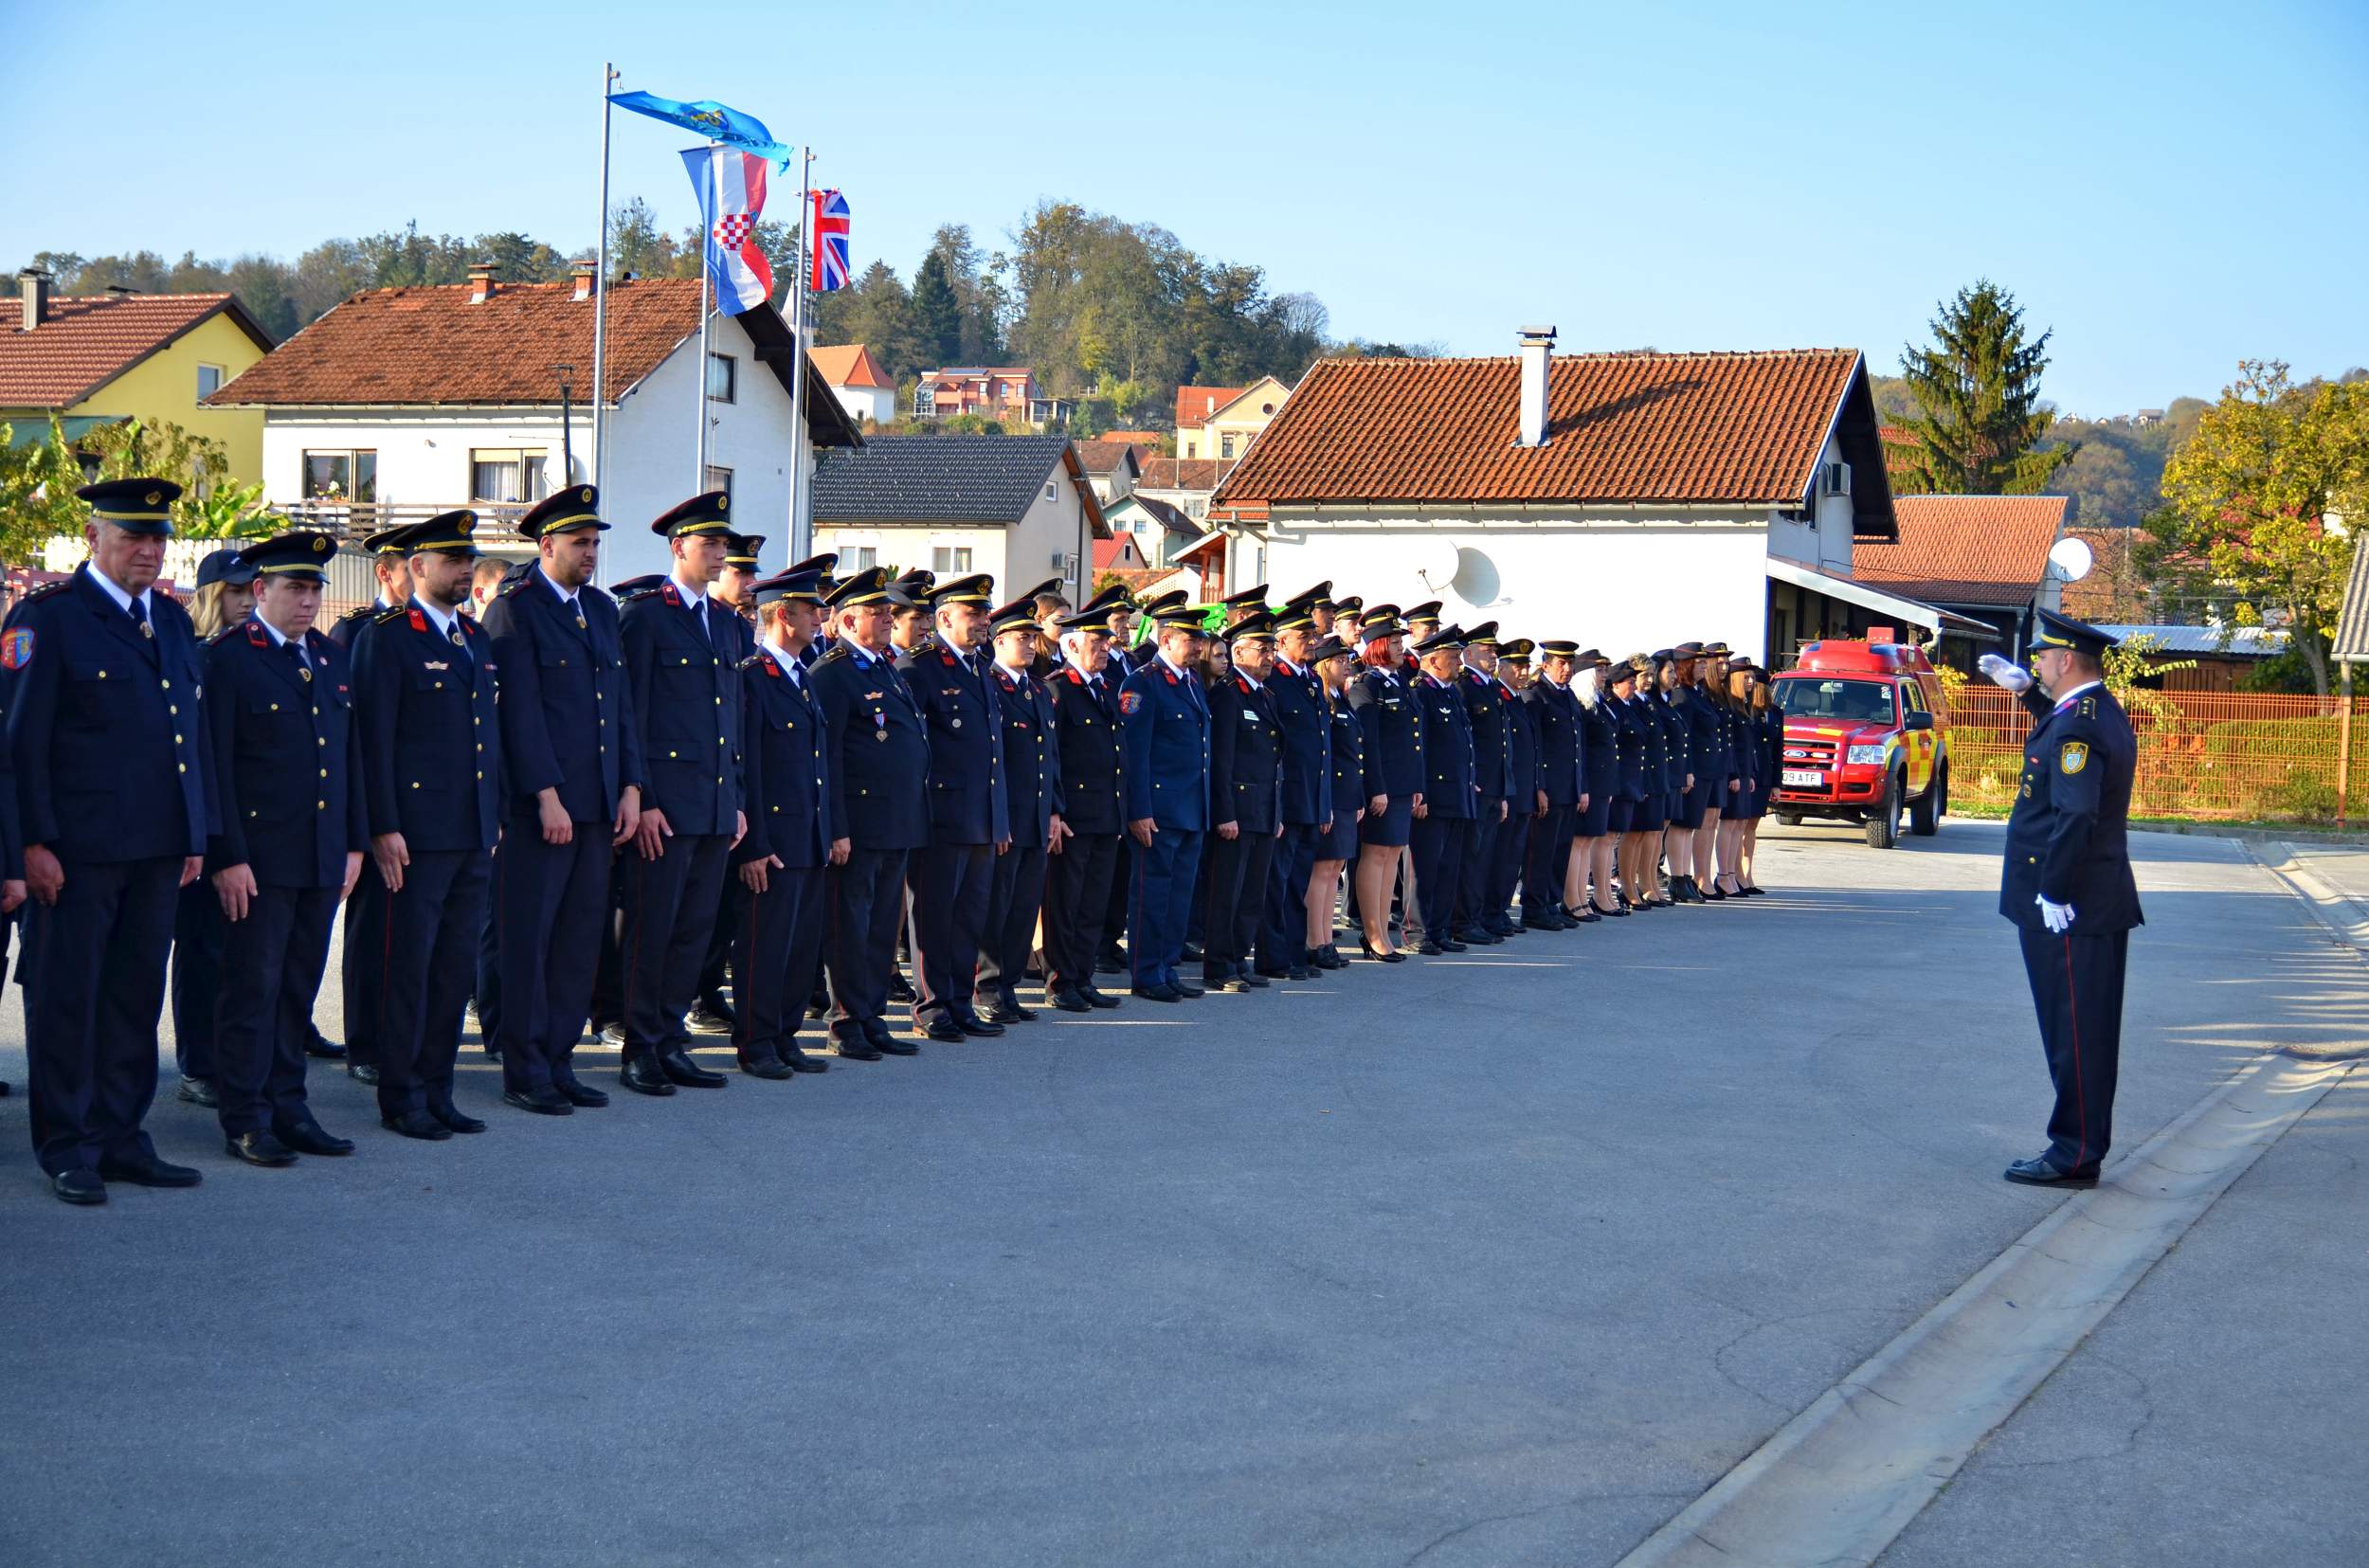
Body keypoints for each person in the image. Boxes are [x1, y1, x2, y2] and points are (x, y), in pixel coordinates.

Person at [8, 478, 212, 1204]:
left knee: (132, 998)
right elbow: (19, 744)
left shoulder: (174, 620)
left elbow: (191, 738)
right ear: (94, 537)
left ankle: (122, 1135)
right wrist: (30, 845)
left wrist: (195, 831)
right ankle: (67, 1144)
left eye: (158, 538)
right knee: (68, 1000)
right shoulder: (51, 618)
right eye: (133, 537)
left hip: (157, 849)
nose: (149, 551)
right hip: (78, 853)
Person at [202, 530, 367, 1166]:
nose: (307, 601)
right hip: (259, 859)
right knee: (252, 987)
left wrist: (354, 842)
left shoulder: (328, 657)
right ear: (260, 590)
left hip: (321, 855)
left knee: (297, 988)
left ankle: (290, 1105)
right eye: (294, 588)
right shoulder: (230, 658)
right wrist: (228, 856)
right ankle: (245, 1114)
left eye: (314, 588)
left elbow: (346, 757)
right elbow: (216, 767)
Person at [478, 485, 643, 1114]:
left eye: (595, 542)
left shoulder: (600, 611)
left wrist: (631, 786)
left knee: (578, 941)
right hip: (542, 810)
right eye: (579, 543)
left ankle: (559, 1058)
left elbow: (620, 709)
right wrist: (544, 795)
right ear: (546, 546)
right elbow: (518, 715)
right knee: (531, 940)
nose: (591, 552)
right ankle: (524, 1067)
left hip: (599, 805)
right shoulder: (514, 611)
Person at [351, 510, 504, 1140]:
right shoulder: (387, 636)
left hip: (469, 832)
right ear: (416, 567)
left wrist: (490, 817)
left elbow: (484, 738)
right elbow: (371, 740)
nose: (464, 570)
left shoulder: (474, 638)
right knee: (407, 968)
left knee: (452, 968)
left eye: (468, 560)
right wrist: (382, 825)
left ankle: (438, 1087)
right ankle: (401, 1093)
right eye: (451, 560)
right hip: (414, 835)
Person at [1980, 612, 2143, 1187]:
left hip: (2071, 905)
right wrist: (2030, 698)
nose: (2037, 665)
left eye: (2043, 658)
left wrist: (2052, 889)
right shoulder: (2093, 710)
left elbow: (2075, 810)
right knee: (2083, 1029)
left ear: (2067, 661)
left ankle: (2073, 1152)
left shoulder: (2079, 725)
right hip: (2092, 899)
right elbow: (2067, 734)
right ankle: (2081, 1144)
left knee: (2074, 1031)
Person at [615, 492, 750, 1095]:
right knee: (653, 930)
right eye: (711, 544)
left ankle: (671, 1038)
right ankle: (641, 1046)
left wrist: (739, 800)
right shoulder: (645, 617)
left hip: (716, 805)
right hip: (664, 808)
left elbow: (733, 722)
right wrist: (641, 797)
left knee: (695, 933)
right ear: (679, 548)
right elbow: (630, 716)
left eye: (724, 544)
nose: (721, 554)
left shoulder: (725, 622)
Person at [810, 568, 930, 1059]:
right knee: (849, 926)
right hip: (858, 826)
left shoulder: (882, 666)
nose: (886, 619)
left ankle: (872, 1014)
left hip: (896, 822)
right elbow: (828, 759)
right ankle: (845, 1020)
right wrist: (836, 828)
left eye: (886, 612)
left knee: (883, 927)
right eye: (877, 613)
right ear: (845, 621)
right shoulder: (834, 674)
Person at [729, 568, 838, 1077]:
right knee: (764, 946)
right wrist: (754, 846)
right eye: (810, 609)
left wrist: (830, 830)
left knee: (798, 947)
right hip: (772, 840)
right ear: (781, 614)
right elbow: (746, 766)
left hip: (809, 835)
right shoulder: (753, 677)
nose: (820, 617)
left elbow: (816, 766)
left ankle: (786, 1033)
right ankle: (756, 1040)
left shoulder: (802, 675)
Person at [900, 573, 1013, 1043]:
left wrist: (999, 817)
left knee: (969, 916)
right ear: (944, 617)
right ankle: (932, 1005)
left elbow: (993, 751)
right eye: (975, 613)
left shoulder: (978, 666)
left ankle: (959, 1002)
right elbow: (914, 750)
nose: (984, 621)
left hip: (982, 817)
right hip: (942, 816)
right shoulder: (920, 666)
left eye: (986, 613)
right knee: (935, 915)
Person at [171, 546, 261, 1109]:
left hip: (252, 823)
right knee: (202, 949)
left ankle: (238, 1054)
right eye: (235, 591)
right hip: (207, 826)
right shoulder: (199, 657)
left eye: (252, 590)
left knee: (243, 951)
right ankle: (198, 1062)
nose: (247, 601)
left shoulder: (251, 653)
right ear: (209, 596)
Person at [334, 526, 413, 1088]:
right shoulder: (358, 630)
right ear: (386, 572)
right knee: (374, 932)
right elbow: (349, 732)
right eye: (414, 565)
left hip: (431, 815)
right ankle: (365, 1039)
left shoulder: (439, 632)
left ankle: (407, 1037)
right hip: (376, 805)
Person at [1118, 603, 1212, 1000]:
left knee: (1179, 895)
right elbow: (1133, 754)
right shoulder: (1143, 683)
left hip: (1191, 808)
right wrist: (1139, 810)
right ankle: (1146, 973)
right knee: (1152, 895)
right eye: (1191, 640)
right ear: (1166, 638)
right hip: (1158, 811)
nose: (1197, 648)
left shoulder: (1191, 682)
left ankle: (1167, 967)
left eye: (1199, 640)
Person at [977, 596, 1064, 1023]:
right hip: (1006, 816)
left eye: (1033, 637)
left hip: (1036, 815)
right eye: (1021, 638)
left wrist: (1055, 810)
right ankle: (988, 986)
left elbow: (1051, 755)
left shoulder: (1037, 689)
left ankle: (1009, 985)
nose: (1030, 645)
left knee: (1024, 906)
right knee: (998, 905)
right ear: (998, 641)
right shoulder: (989, 685)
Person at [1040, 611, 1127, 1013]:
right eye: (1098, 643)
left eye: (1107, 642)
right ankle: (1061, 980)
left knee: (1094, 901)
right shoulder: (1058, 690)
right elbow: (1051, 758)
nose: (1107, 649)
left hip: (1106, 812)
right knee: (1066, 902)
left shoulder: (1108, 688)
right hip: (1075, 815)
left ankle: (1083, 975)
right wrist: (1056, 810)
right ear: (1072, 645)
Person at [1203, 611, 1284, 994]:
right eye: (1261, 648)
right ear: (1238, 651)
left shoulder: (1264, 695)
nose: (1269, 655)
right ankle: (1219, 964)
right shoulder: (1227, 693)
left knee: (1252, 892)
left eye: (1271, 648)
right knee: (1227, 893)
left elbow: (1272, 760)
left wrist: (1276, 810)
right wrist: (1224, 813)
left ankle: (1238, 958)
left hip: (1264, 809)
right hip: (1236, 810)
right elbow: (1221, 761)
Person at [1258, 597, 1332, 980]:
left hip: (1310, 798)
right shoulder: (1275, 681)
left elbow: (1321, 745)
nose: (1311, 640)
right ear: (1282, 641)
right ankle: (1275, 956)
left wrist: (1325, 804)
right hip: (1285, 799)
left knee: (1298, 880)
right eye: (1303, 635)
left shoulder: (1308, 680)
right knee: (1278, 882)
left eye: (1312, 634)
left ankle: (1293, 951)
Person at [1346, 612, 1422, 961]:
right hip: (1383, 786)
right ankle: (1372, 932)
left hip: (1402, 784)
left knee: (1392, 855)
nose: (1400, 647)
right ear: (1377, 646)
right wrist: (1375, 787)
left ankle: (1383, 933)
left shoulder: (1398, 681)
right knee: (1376, 855)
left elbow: (1413, 739)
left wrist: (1417, 783)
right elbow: (1368, 741)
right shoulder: (1368, 684)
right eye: (1394, 642)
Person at [1408, 625, 1475, 956]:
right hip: (1433, 796)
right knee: (1426, 867)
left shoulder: (1451, 692)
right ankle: (1419, 931)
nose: (1459, 663)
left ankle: (1440, 929)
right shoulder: (1421, 692)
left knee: (1449, 867)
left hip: (1457, 793)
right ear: (1433, 660)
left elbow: (1462, 744)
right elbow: (1419, 747)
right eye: (1453, 657)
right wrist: (1421, 791)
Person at [1453, 623, 1511, 945]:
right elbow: (1467, 741)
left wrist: (1502, 790)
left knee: (1485, 856)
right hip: (1475, 786)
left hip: (1492, 786)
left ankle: (1477, 917)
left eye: (1494, 651)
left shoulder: (1490, 687)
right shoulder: (1466, 687)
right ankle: (1463, 921)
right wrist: (1471, 779)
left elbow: (1499, 744)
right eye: (1487, 651)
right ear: (1469, 653)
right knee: (1471, 857)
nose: (1493, 656)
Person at [1309, 638, 1364, 968]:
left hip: (1345, 795)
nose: (1347, 666)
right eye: (1340, 661)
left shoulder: (1340, 700)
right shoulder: (1323, 700)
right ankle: (1314, 940)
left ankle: (1326, 938)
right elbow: (1325, 757)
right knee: (1323, 869)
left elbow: (1352, 755)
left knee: (1335, 869)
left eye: (1348, 660)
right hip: (1330, 794)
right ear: (1325, 664)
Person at [1522, 641, 1582, 930]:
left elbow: (1576, 746)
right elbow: (1536, 747)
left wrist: (1580, 786)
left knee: (1560, 849)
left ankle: (1551, 903)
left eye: (1570, 663)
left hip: (1568, 787)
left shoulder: (1568, 695)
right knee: (1541, 850)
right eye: (1561, 663)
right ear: (1545, 664)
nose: (1567, 669)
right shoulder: (1537, 695)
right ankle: (1534, 906)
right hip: (1549, 787)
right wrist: (1539, 787)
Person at [1488, 640, 1541, 934]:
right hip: (1508, 790)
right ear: (1504, 669)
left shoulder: (1516, 698)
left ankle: (1501, 909)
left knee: (1513, 856)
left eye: (1526, 666)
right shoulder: (1500, 697)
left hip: (1522, 791)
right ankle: (1491, 910)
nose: (1523, 672)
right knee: (1500, 855)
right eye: (1518, 666)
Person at [1569, 652, 1620, 918]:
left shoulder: (1599, 702)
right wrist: (1584, 787)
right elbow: (1583, 752)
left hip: (1601, 782)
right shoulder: (1581, 704)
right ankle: (1573, 899)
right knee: (1578, 841)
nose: (1605, 676)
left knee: (1588, 841)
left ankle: (1583, 899)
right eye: (1599, 671)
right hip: (1588, 781)